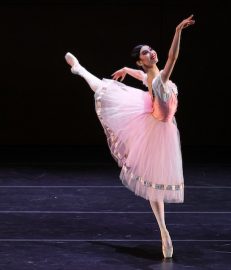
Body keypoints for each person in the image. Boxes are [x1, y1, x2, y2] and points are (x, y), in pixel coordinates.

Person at [65, 15, 195, 258]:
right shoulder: (160, 79)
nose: (152, 52)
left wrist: (127, 69)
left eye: (151, 49)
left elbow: (144, 75)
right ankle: (79, 69)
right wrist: (178, 30)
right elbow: (172, 58)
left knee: (155, 185)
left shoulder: (152, 76)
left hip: (160, 127)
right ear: (141, 60)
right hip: (152, 125)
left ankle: (164, 233)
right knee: (105, 89)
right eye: (146, 53)